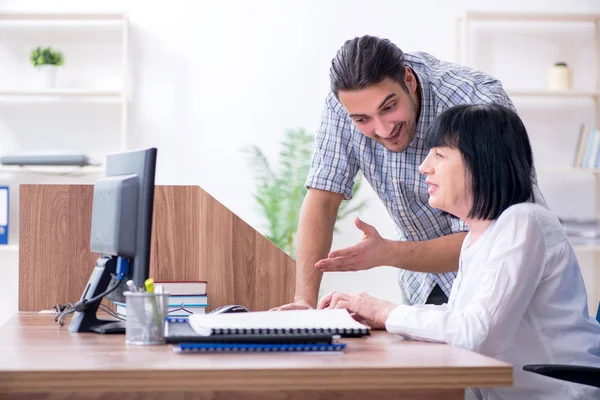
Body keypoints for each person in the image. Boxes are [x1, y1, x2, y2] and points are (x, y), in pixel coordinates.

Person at [318, 104, 600, 399]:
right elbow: (461, 317)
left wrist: (387, 312)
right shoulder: (477, 238)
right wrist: (382, 315)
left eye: (439, 154)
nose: (424, 166)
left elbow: (478, 334)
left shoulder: (523, 221)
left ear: (482, 162)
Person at [274, 35, 544, 311]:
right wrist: (304, 303)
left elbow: (489, 238)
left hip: (496, 278)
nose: (382, 129)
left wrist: (387, 254)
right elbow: (321, 200)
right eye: (362, 120)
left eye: (389, 107)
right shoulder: (344, 106)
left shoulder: (475, 100)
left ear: (409, 81)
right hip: (421, 283)